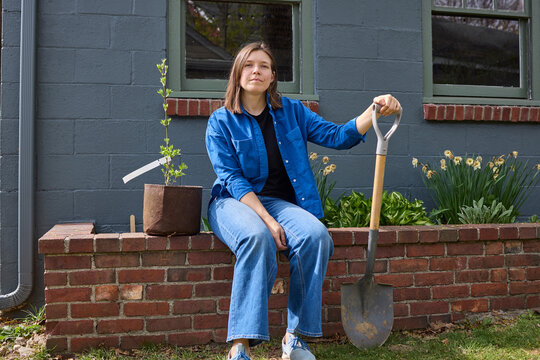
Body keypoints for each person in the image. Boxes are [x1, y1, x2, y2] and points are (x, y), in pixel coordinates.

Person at [205, 42, 401, 360]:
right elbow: (232, 178)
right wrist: (267, 221)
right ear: (237, 73)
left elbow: (339, 136)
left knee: (315, 236)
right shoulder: (221, 121)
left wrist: (375, 109)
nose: (256, 70)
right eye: (249, 64)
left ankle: (294, 338)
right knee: (256, 238)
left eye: (264, 65)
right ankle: (239, 346)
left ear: (272, 77)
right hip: (233, 202)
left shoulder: (292, 112)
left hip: (279, 203)